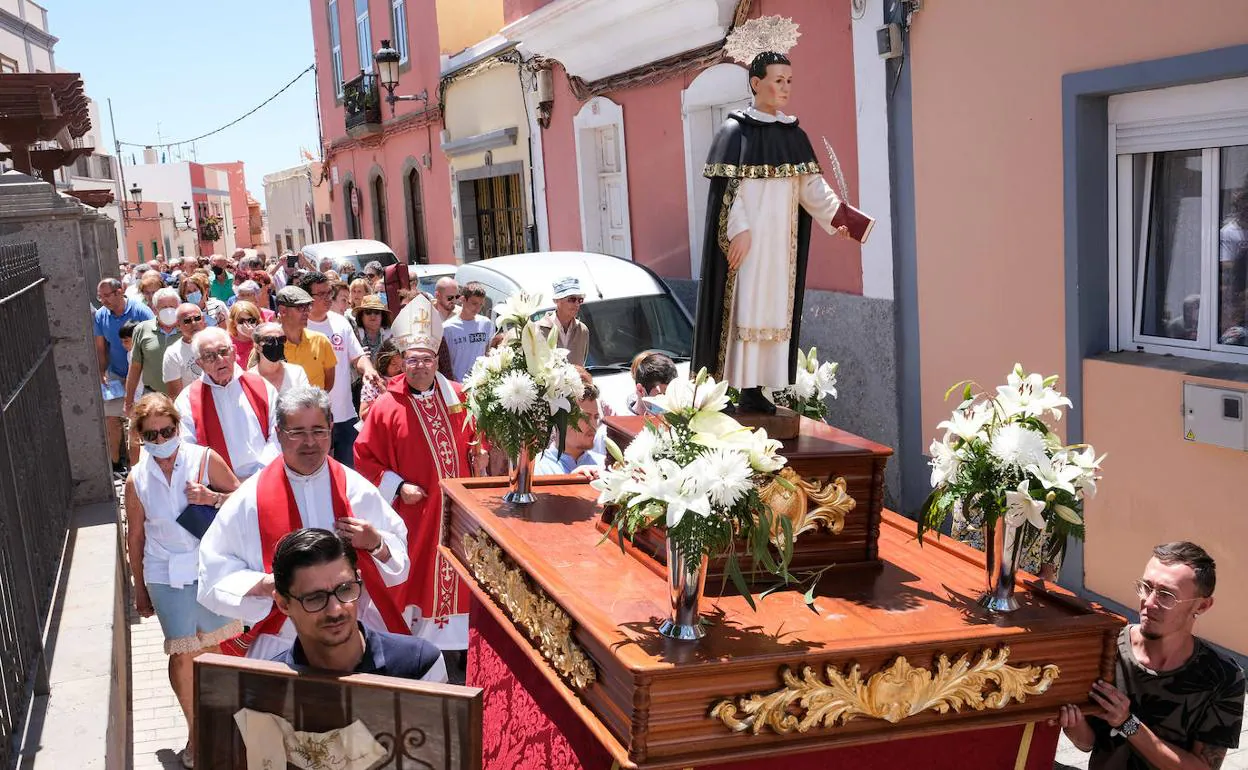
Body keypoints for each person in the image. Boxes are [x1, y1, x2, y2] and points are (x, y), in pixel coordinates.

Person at [692, 46, 852, 415]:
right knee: (744, 308)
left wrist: (838, 218)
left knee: (774, 312)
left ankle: (759, 387)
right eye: (778, 80)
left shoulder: (794, 135)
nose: (785, 88)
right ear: (755, 83)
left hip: (781, 246)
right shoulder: (735, 132)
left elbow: (812, 188)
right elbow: (728, 192)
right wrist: (740, 230)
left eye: (789, 81)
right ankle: (739, 387)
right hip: (749, 245)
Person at [197, 386, 410, 661]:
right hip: (282, 640)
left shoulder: (357, 490)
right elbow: (212, 573)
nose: (309, 442)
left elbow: (400, 560)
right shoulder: (249, 499)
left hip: (351, 632)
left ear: (331, 429)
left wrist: (377, 543)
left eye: (318, 430)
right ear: (278, 433)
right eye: (297, 432)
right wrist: (263, 584)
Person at [354, 298, 484, 660]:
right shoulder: (386, 405)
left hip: (459, 512)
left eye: (427, 360)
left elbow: (479, 441)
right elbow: (364, 457)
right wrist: (398, 486)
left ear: (436, 360)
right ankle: (415, 647)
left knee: (461, 570)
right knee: (416, 576)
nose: (421, 367)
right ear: (402, 362)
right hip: (415, 512)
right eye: (413, 360)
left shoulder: (459, 396)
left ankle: (460, 650)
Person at [124, 393, 241, 768]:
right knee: (182, 649)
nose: (161, 440)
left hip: (208, 566)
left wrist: (210, 497)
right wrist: (138, 587)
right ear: (140, 437)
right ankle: (196, 731)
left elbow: (242, 499)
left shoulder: (205, 458)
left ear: (178, 426)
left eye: (167, 431)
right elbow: (136, 537)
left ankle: (225, 723)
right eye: (152, 435)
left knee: (213, 647)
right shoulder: (136, 478)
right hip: (164, 572)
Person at [1057, 542, 1243, 769]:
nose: (1149, 601)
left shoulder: (1224, 677)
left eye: (1166, 595)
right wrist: (1072, 724)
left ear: (1202, 606)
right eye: (1146, 586)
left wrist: (1128, 723)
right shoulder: (1106, 648)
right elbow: (1090, 743)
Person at [270, 528, 446, 681]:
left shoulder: (420, 665)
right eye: (315, 598)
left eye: (345, 590)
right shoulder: (265, 686)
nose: (335, 610)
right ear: (283, 604)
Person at [297, 271, 383, 468]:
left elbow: (358, 356)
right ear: (307, 297)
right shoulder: (299, 327)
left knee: (350, 473)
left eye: (329, 293)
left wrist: (369, 370)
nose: (328, 298)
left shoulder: (341, 323)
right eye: (321, 294)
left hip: (345, 415)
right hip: (312, 418)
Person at [174, 327, 280, 480]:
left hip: (263, 479)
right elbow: (186, 448)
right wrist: (226, 484)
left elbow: (278, 434)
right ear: (200, 363)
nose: (219, 359)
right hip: (215, 487)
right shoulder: (187, 399)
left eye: (223, 351)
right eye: (209, 356)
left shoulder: (262, 387)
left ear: (234, 352)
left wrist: (259, 475)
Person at [95, 278, 154, 474]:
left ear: (120, 291)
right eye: (100, 296)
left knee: (139, 421)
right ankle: (115, 465)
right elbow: (101, 348)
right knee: (111, 417)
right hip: (116, 374)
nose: (103, 300)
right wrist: (102, 371)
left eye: (106, 295)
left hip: (142, 376)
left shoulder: (141, 311)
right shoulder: (101, 316)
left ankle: (136, 466)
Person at [124, 288, 183, 415]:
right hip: (152, 396)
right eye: (163, 307)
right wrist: (128, 401)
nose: (168, 310)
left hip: (183, 397)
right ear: (155, 309)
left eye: (172, 306)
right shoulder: (142, 329)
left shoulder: (187, 328)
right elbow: (135, 367)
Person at [535, 383, 604, 477]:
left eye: (596, 417)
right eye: (585, 417)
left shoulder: (604, 466)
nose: (593, 424)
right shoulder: (538, 469)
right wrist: (571, 480)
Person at [276, 285, 337, 390]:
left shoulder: (321, 341)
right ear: (283, 311)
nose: (306, 312)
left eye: (308, 306)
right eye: (300, 307)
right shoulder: (269, 343)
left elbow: (328, 383)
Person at [442, 282, 495, 382]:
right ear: (463, 299)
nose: (477, 308)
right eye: (474, 303)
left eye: (481, 304)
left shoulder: (486, 324)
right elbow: (444, 360)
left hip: (480, 384)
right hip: (457, 384)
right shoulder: (447, 328)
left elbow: (487, 352)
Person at [536, 276, 590, 366]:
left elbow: (582, 365)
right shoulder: (538, 329)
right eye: (572, 299)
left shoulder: (583, 330)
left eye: (580, 300)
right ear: (557, 301)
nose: (577, 304)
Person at [250, 322, 310, 395]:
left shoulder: (297, 373)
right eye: (269, 340)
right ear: (257, 347)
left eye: (281, 339)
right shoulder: (249, 378)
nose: (276, 344)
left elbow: (307, 402)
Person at [162, 303, 208, 398]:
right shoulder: (173, 353)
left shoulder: (218, 341)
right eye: (187, 321)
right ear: (178, 326)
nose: (194, 323)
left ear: (203, 320)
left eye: (197, 318)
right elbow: (175, 395)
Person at [358, 340, 401, 424]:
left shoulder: (408, 380)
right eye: (394, 364)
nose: (398, 368)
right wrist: (383, 397)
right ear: (384, 362)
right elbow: (363, 415)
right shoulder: (373, 382)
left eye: (401, 364)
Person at [627, 351, 678, 416]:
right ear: (640, 390)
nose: (666, 401)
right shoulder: (620, 423)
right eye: (660, 395)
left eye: (671, 393)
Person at [353, 295, 393, 363]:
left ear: (382, 316)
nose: (373, 316)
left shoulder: (390, 335)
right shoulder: (354, 334)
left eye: (377, 312)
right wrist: (358, 358)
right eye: (368, 312)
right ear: (361, 316)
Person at [227, 300, 262, 370]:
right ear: (233, 323)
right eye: (241, 321)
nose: (246, 325)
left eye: (251, 320)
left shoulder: (263, 339)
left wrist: (254, 338)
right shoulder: (226, 341)